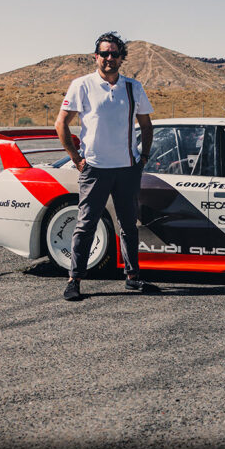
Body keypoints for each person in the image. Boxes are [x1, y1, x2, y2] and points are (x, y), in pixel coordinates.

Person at [55, 32, 156, 301]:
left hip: (127, 168)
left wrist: (143, 157)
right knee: (86, 224)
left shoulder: (133, 87)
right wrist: (76, 158)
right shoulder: (82, 85)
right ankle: (74, 280)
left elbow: (146, 126)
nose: (109, 58)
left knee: (129, 225)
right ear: (96, 56)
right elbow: (61, 123)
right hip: (95, 168)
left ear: (122, 58)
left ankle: (132, 277)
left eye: (114, 54)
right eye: (104, 53)